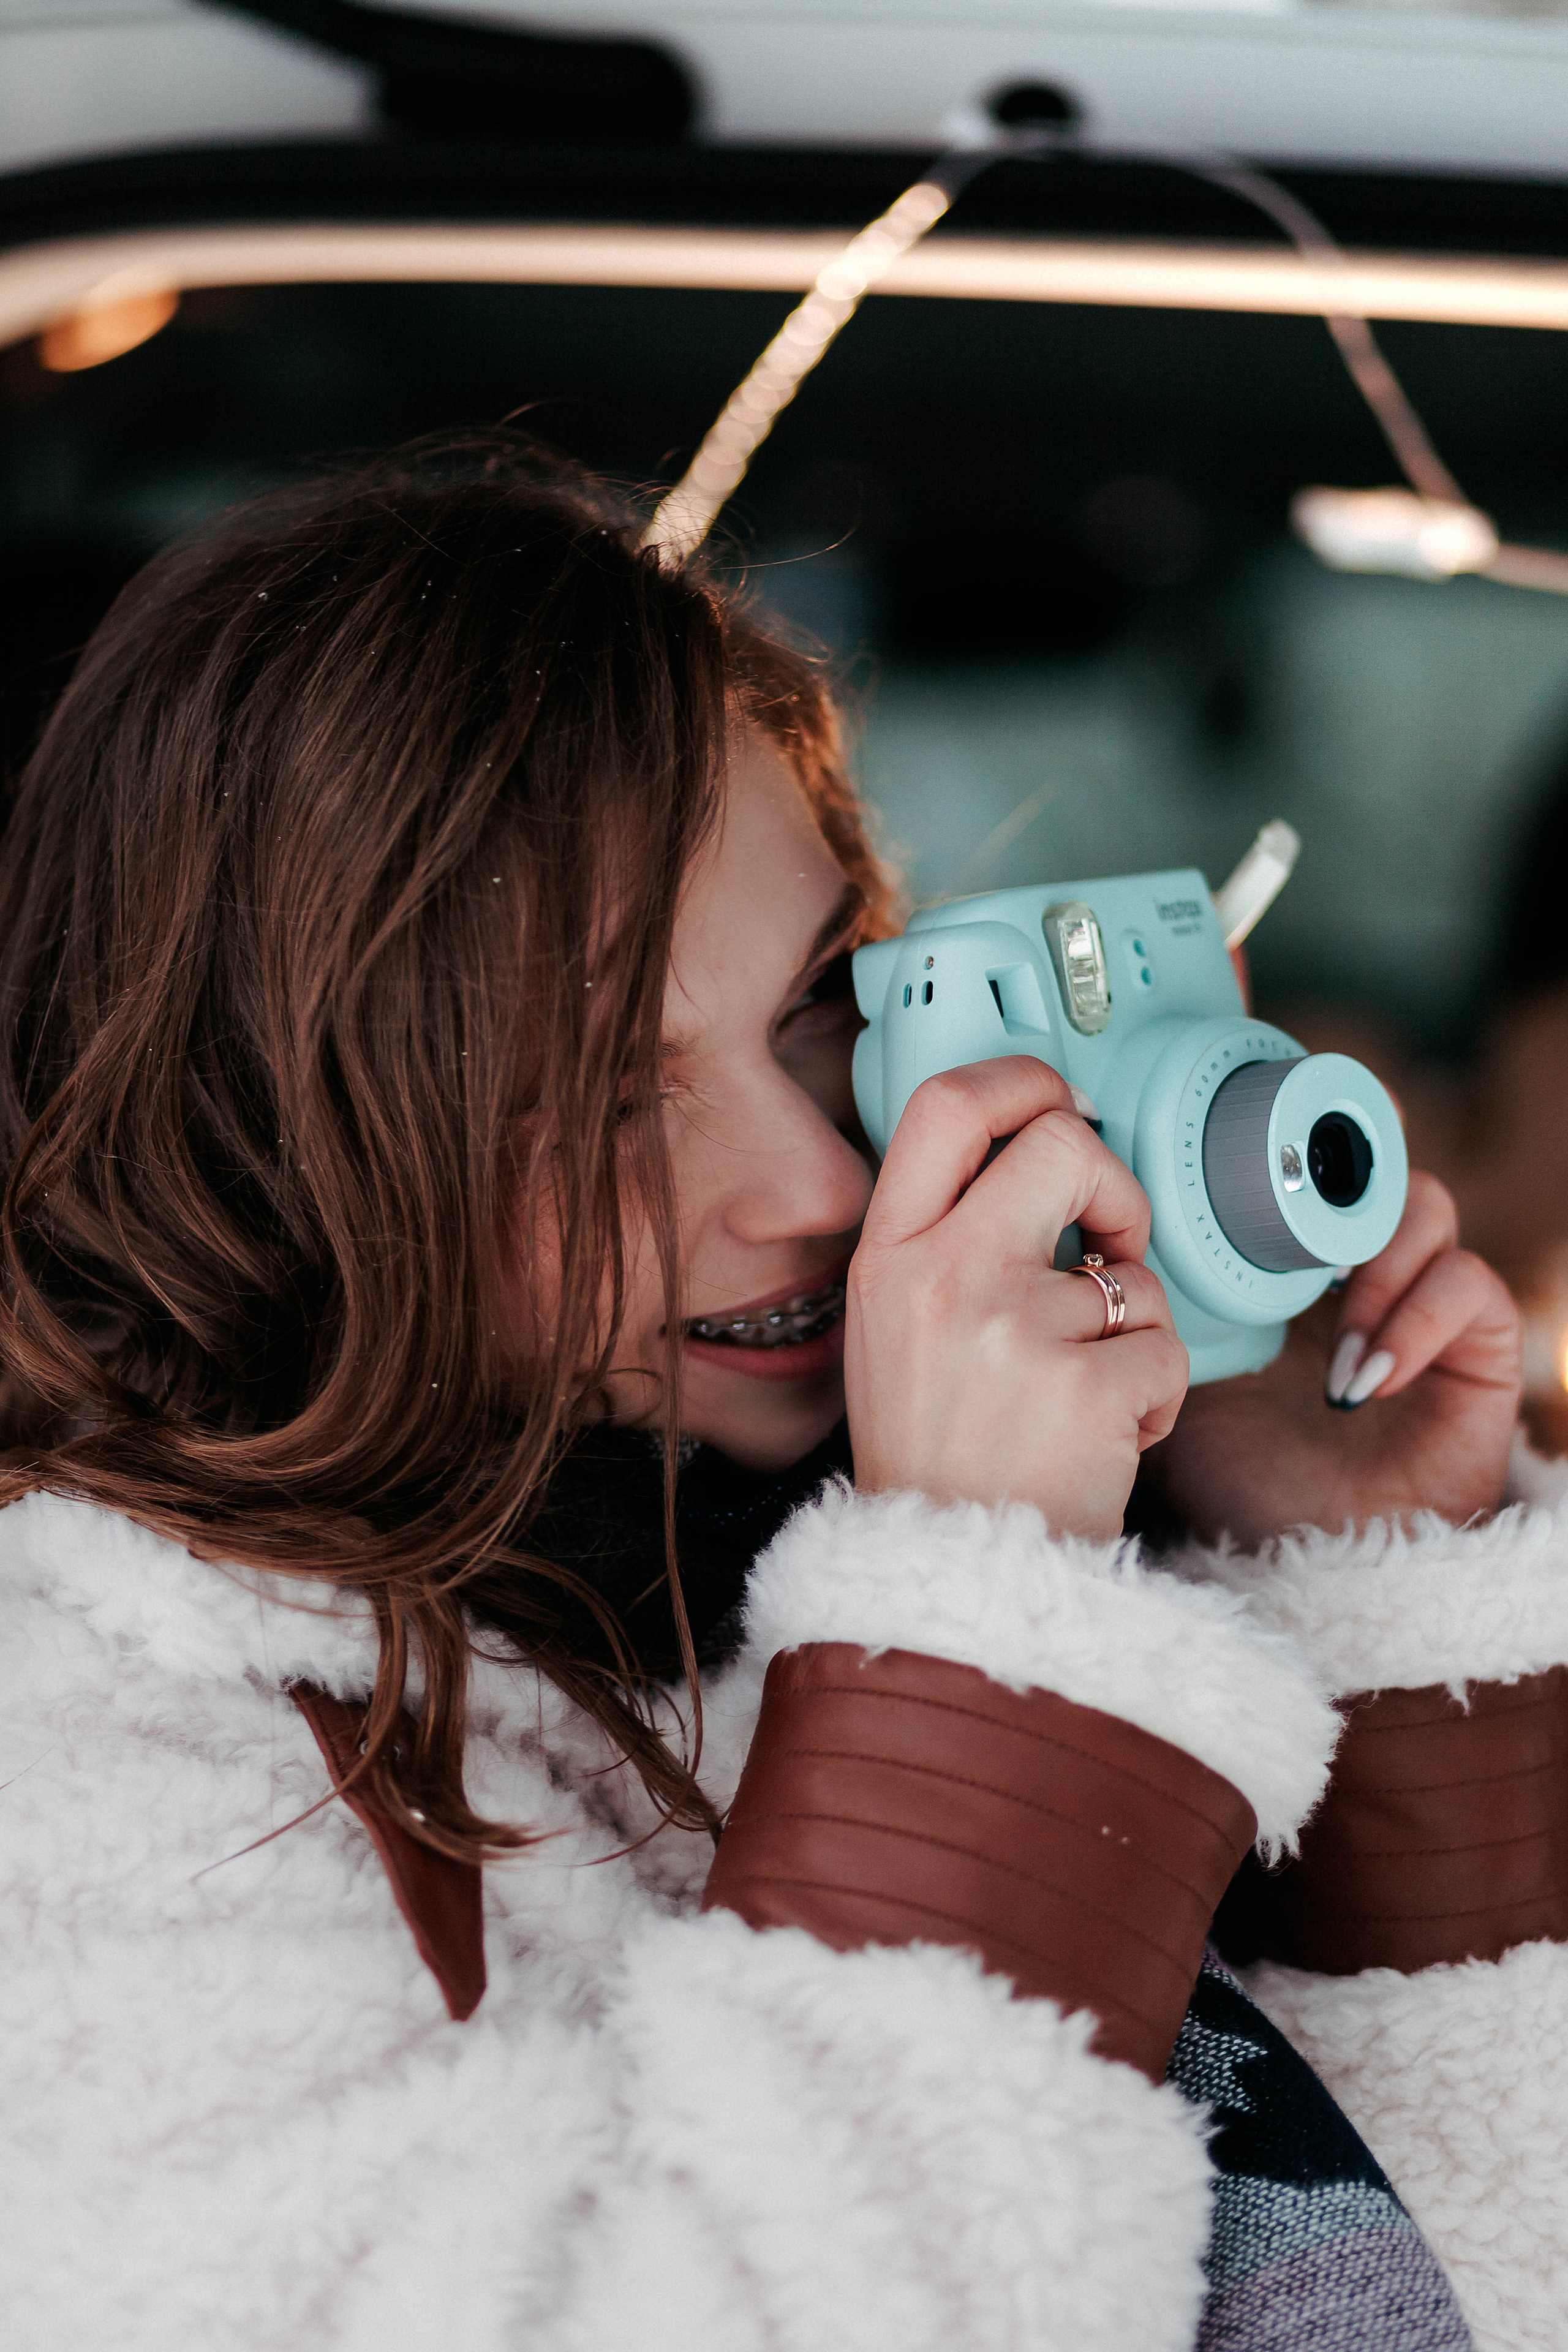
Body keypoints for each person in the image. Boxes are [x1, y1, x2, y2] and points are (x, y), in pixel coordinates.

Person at [0, 432, 1557, 2352]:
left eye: (817, 1003)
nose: (820, 1187)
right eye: (590, 1097)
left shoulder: (959, 1561)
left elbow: (1433, 2294)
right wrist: (977, 1645)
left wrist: (1364, 1605)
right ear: (267, 1163)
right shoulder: (94, 1769)